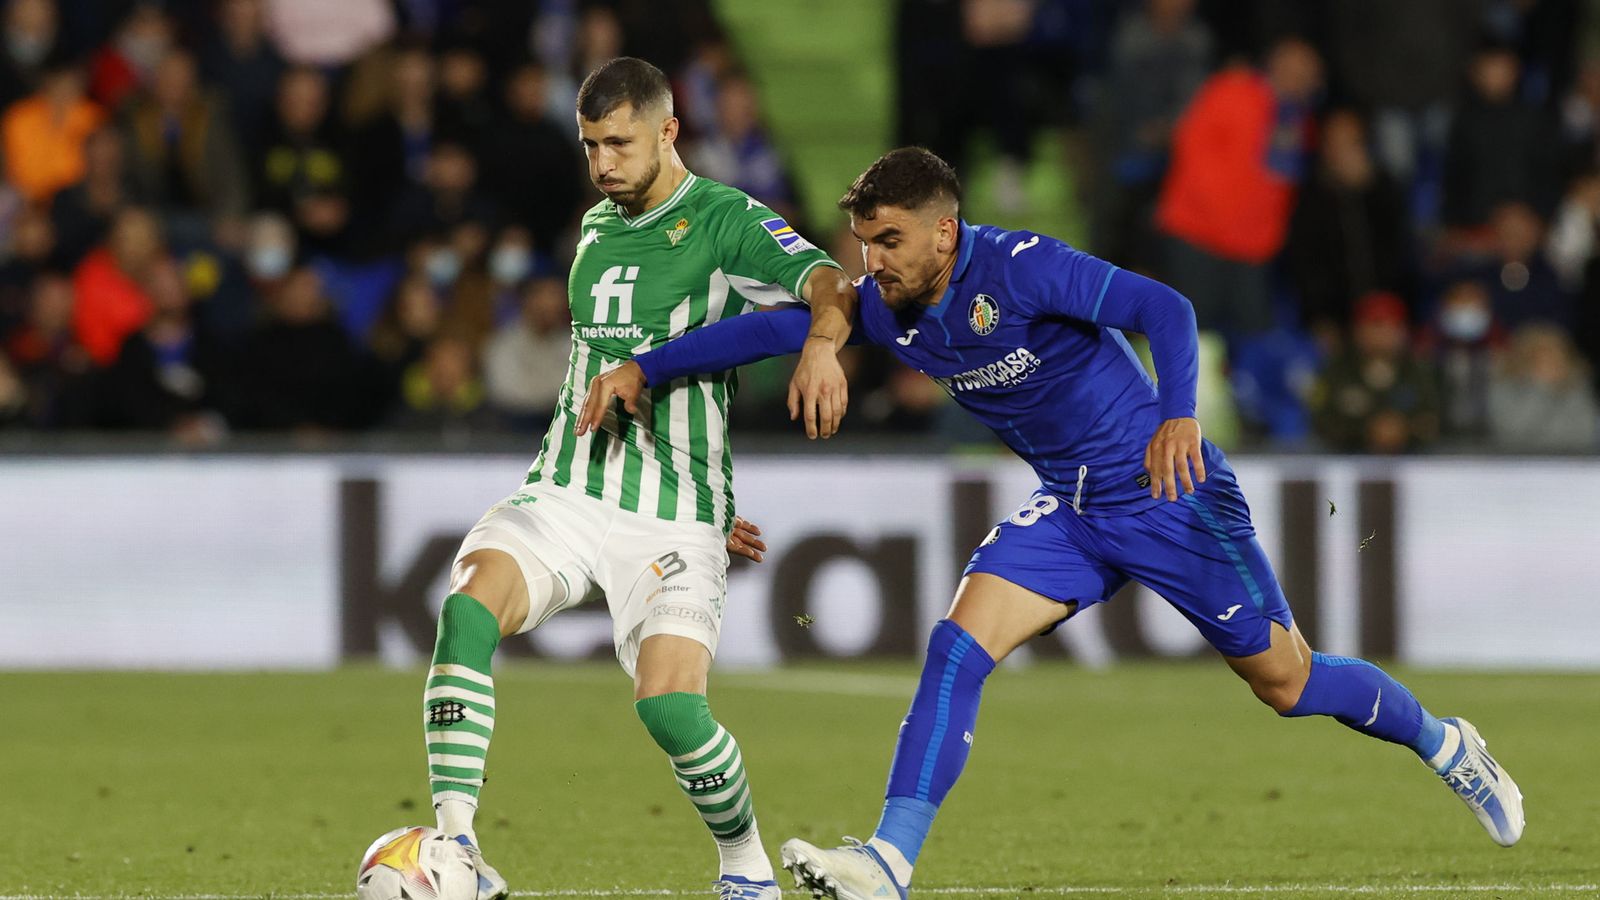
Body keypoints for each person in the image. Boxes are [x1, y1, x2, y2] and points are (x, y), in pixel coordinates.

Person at [579, 148, 1526, 900]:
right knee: (956, 648)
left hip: (1167, 492)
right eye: (865, 243)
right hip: (1071, 510)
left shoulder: (1022, 269)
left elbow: (1165, 306)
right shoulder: (892, 309)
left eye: (891, 241)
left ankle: (1446, 745)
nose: (874, 262)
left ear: (946, 231)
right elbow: (768, 330)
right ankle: (889, 863)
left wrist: (1180, 414)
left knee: (1288, 682)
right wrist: (644, 369)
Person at [412, 57, 853, 900]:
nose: (603, 163)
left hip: (675, 514)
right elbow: (597, 360)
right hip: (568, 488)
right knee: (467, 606)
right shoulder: (595, 227)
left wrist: (823, 348)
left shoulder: (725, 219)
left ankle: (745, 864)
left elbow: (830, 284)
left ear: (668, 131)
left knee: (670, 708)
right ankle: (458, 847)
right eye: (590, 145)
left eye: (620, 142)